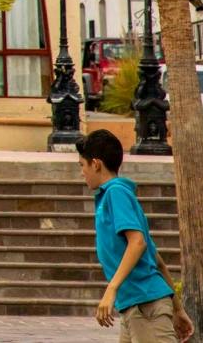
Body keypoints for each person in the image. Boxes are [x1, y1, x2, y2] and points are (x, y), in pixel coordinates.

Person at [74, 128, 194, 341]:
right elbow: (157, 262)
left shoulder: (116, 192)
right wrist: (177, 308)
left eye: (82, 165)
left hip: (146, 307)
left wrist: (111, 289)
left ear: (96, 164)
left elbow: (137, 243)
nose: (82, 172)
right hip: (135, 307)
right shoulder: (114, 196)